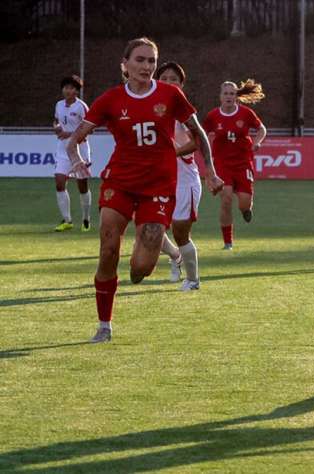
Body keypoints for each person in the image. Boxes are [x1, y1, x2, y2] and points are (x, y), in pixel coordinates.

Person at [66, 37, 223, 343]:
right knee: (108, 247)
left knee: (140, 269)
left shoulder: (170, 94)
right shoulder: (111, 99)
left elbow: (199, 133)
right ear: (125, 65)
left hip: (158, 187)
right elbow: (76, 138)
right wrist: (77, 160)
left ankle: (145, 256)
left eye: (151, 61)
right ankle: (104, 324)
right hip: (120, 182)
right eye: (140, 60)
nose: (146, 66)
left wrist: (212, 172)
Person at [155, 61, 203, 291]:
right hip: (158, 180)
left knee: (180, 232)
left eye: (174, 79)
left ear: (181, 84)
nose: (169, 82)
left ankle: (193, 280)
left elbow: (198, 141)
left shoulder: (185, 114)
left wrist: (172, 151)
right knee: (150, 229)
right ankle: (176, 257)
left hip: (184, 181)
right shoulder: (152, 109)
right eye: (164, 78)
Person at [203, 80, 267, 250]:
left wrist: (257, 142)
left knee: (244, 203)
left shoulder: (246, 114)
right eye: (226, 93)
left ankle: (246, 209)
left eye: (232, 93)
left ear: (236, 96)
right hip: (222, 164)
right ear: (220, 96)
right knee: (226, 199)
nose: (229, 96)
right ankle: (228, 242)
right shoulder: (212, 116)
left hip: (243, 163)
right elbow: (201, 135)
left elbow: (262, 129)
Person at [52, 75, 92, 232]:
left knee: (82, 186)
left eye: (72, 88)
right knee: (59, 182)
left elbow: (90, 129)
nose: (68, 90)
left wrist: (70, 134)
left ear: (77, 91)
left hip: (79, 150)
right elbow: (55, 120)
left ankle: (86, 219)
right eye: (66, 87)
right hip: (62, 149)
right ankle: (67, 220)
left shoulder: (81, 107)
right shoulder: (59, 105)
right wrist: (56, 127)